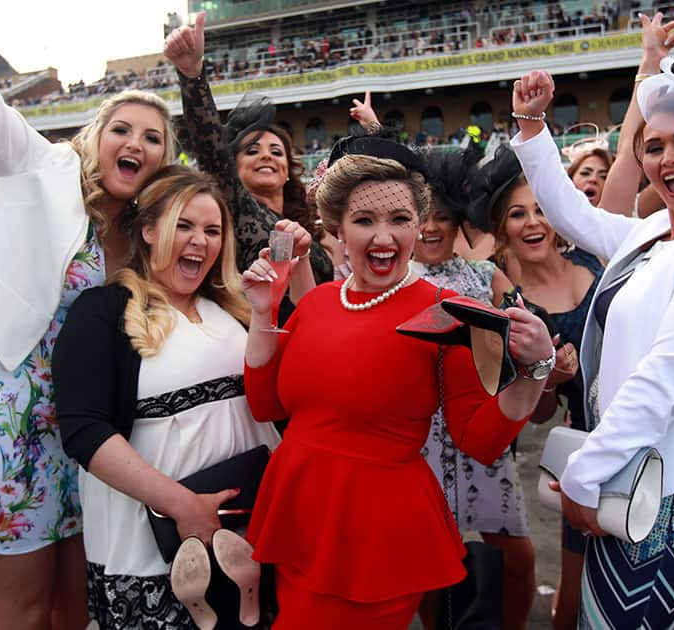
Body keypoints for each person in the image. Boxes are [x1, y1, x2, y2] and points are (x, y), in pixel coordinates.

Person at [0, 2, 174, 627]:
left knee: (76, 608)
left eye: (153, 137)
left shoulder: (152, 238)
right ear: (97, 137)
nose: (137, 142)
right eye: (123, 128)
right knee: (23, 612)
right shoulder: (38, 169)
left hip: (82, 439)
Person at [511, 13, 674, 627]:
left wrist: (583, 475)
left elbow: (667, 379)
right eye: (653, 146)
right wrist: (531, 125)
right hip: (626, 481)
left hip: (673, 494)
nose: (666, 158)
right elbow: (574, 216)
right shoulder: (659, 229)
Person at [240, 136, 561, 628]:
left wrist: (536, 372)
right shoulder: (318, 303)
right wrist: (264, 311)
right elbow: (266, 406)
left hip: (377, 534)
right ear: (339, 229)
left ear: (419, 223)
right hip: (301, 519)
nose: (383, 237)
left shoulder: (448, 314)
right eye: (364, 221)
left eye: (399, 220)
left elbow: (478, 440)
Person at [53, 165, 281, 629]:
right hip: (153, 547)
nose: (201, 240)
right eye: (185, 225)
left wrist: (268, 307)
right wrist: (182, 505)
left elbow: (275, 401)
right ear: (149, 230)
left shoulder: (232, 307)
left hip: (248, 532)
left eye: (213, 230)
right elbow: (84, 430)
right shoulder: (102, 310)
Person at [412, 148, 575, 630]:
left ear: (460, 220)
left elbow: (530, 327)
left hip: (483, 430)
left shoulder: (485, 276)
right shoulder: (395, 279)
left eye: (443, 216)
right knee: (431, 561)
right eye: (421, 216)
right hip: (419, 440)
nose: (431, 227)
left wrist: (548, 359)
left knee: (517, 554)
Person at [470, 144, 607, 629]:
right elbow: (540, 414)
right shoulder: (515, 307)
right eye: (517, 213)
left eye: (542, 209)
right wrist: (552, 378)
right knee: (571, 604)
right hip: (588, 445)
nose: (532, 222)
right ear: (501, 228)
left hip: (655, 430)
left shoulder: (599, 258)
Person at [165, 13, 332, 321]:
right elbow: (211, 148)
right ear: (234, 168)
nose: (266, 156)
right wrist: (192, 75)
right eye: (252, 150)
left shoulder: (312, 222)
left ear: (287, 168)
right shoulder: (236, 212)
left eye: (276, 151)